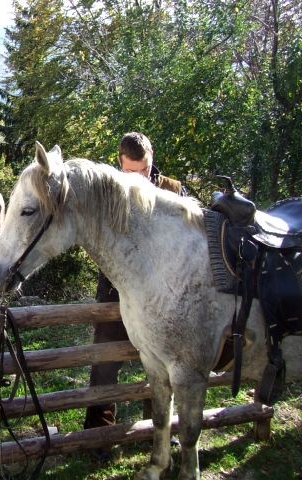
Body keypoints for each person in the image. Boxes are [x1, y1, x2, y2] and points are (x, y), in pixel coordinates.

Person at [84, 132, 185, 450]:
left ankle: (159, 431)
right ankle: (99, 435)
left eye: (145, 171)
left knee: (165, 367)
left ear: (151, 161)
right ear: (119, 164)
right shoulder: (108, 192)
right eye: (132, 172)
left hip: (164, 298)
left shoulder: (174, 189)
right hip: (117, 293)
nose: (139, 178)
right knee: (104, 362)